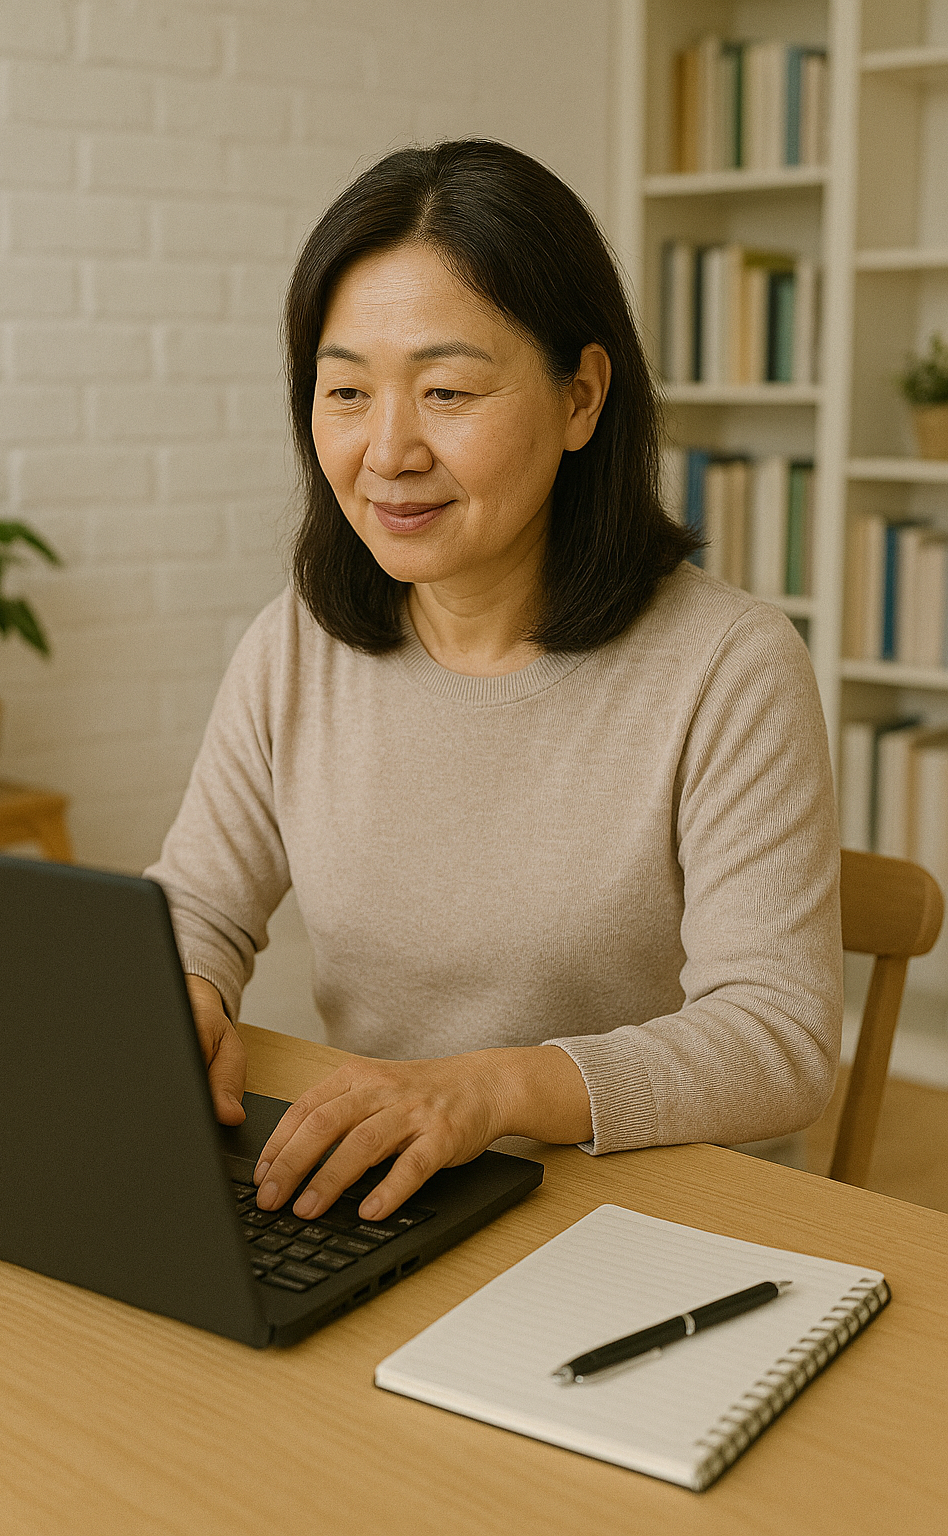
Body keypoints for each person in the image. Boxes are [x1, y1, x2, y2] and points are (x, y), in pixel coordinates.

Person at [146, 139, 841, 1226]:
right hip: (398, 1204)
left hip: (662, 1224)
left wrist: (491, 1088)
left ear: (580, 397)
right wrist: (182, 994)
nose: (387, 450)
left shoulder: (728, 666)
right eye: (344, 391)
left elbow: (777, 1039)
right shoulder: (297, 647)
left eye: (448, 390)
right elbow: (196, 904)